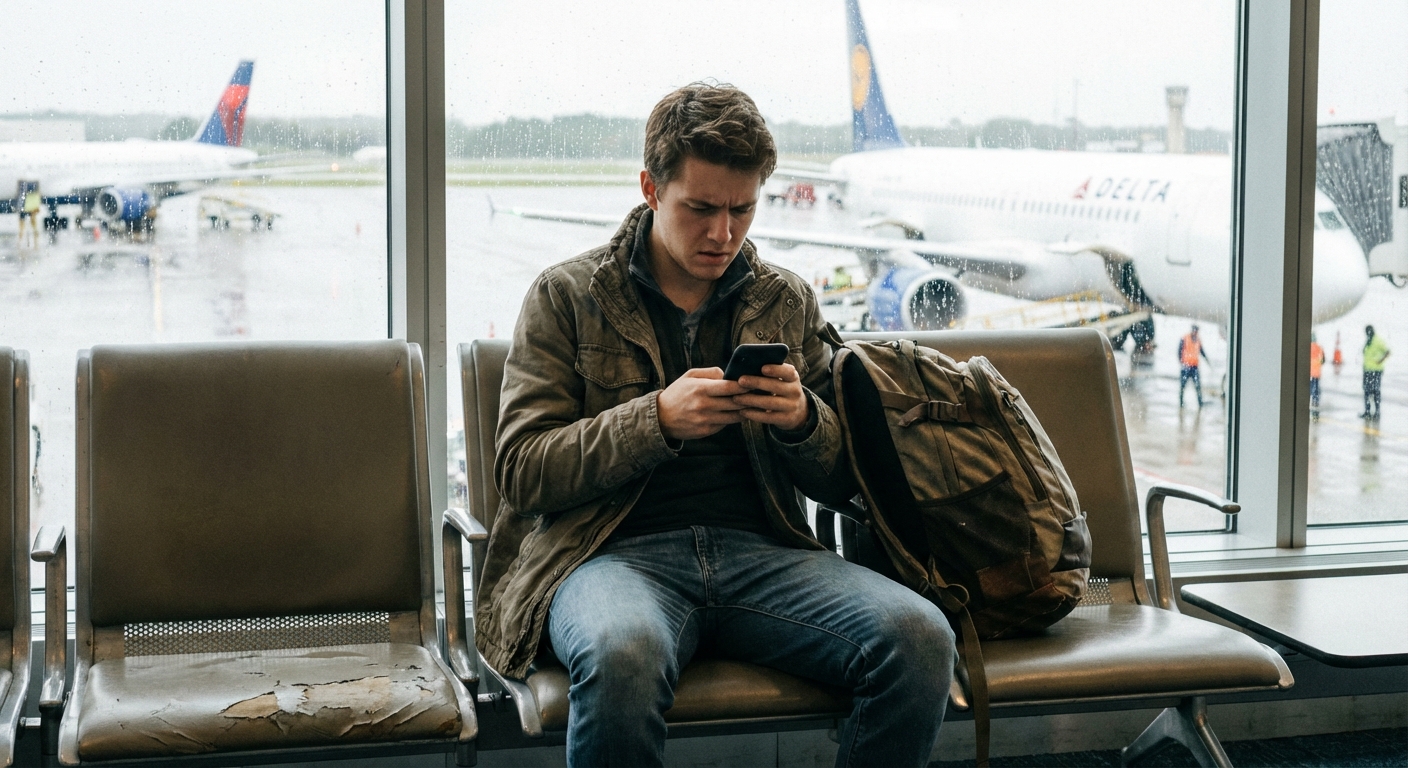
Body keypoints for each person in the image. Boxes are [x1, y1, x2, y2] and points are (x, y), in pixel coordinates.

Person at [480, 84, 955, 768]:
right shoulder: (568, 296)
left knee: (919, 638)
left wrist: (801, 421)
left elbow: (844, 481)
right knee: (624, 654)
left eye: (743, 209)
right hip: (609, 556)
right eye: (700, 209)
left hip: (760, 554)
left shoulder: (784, 299)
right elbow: (522, 471)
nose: (723, 234)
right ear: (651, 188)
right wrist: (656, 421)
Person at [1361, 325, 1391, 420]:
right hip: (1367, 370)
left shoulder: (1378, 341)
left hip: (1376, 370)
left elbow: (1387, 351)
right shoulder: (1368, 341)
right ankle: (1367, 411)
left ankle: (1377, 412)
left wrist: (1380, 360)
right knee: (1367, 391)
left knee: (1375, 391)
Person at [1178, 324, 1212, 408]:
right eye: (1194, 330)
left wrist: (1207, 361)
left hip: (1194, 367)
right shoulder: (1185, 338)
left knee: (1197, 386)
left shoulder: (1198, 340)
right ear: (1192, 330)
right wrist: (1181, 362)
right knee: (1183, 386)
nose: (1195, 332)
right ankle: (1181, 403)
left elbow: (1202, 351)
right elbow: (1179, 350)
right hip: (1186, 366)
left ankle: (1200, 403)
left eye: (1196, 331)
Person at [1309, 332, 1325, 419]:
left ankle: (1308, 407)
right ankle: (1315, 407)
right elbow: (1323, 360)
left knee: (1309, 390)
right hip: (1317, 374)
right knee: (1316, 392)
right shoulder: (1319, 348)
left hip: (1309, 373)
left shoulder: (1307, 347)